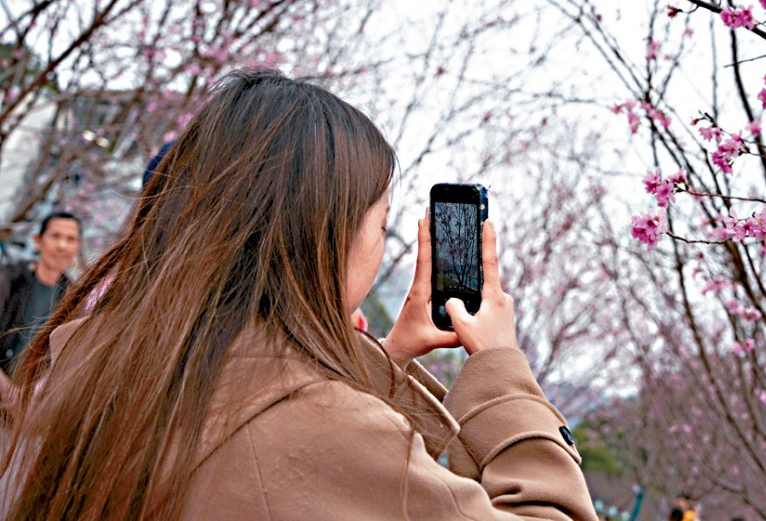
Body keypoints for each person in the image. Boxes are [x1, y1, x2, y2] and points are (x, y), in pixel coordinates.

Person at [0, 70, 596, 520]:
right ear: (325, 238)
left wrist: (384, 361)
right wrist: (501, 371)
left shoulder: (76, 363)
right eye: (381, 224)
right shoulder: (332, 431)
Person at [0, 211, 81, 412]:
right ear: (38, 241)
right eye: (55, 236)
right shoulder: (8, 280)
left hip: (25, 411)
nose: (62, 245)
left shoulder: (73, 301)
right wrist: (8, 392)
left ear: (77, 248)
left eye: (70, 239)